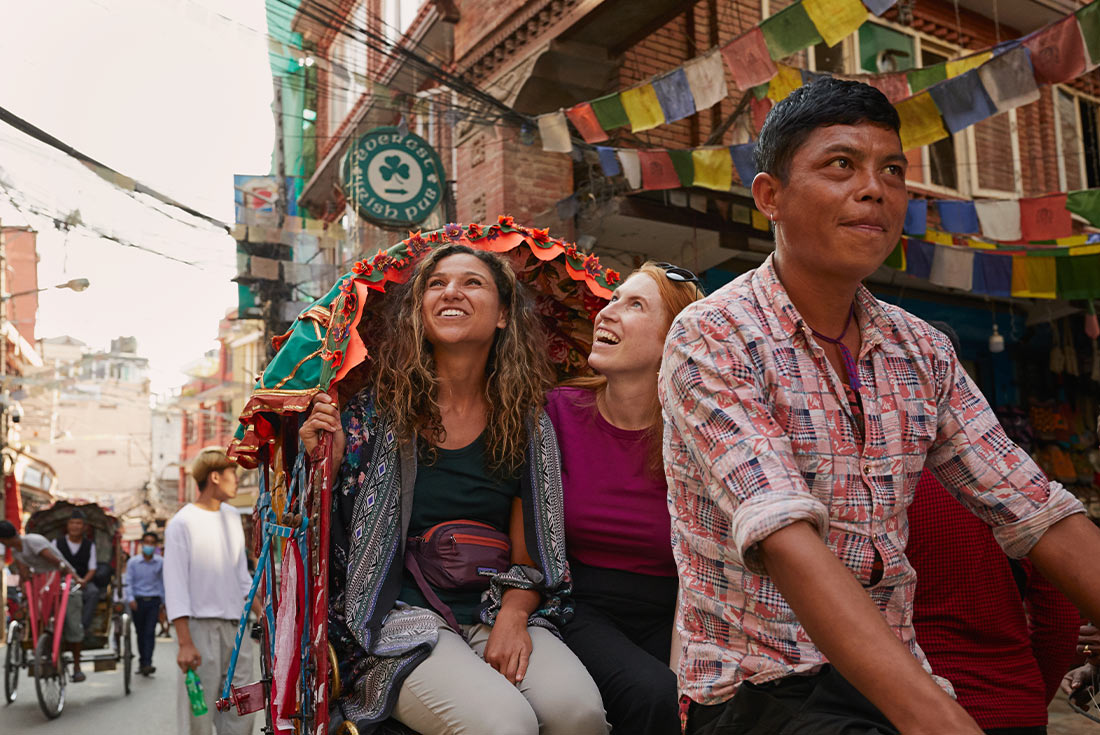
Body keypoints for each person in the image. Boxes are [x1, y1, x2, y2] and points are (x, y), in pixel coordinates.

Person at [659, 77, 1100, 735]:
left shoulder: (922, 348)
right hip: (758, 690)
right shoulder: (711, 333)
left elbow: (1034, 508)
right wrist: (940, 722)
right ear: (770, 197)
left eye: (891, 169)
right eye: (842, 164)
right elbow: (782, 534)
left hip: (892, 674)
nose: (876, 188)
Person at [300, 244, 608, 734]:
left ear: (504, 315)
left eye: (472, 282)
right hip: (396, 620)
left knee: (580, 715)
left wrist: (512, 616)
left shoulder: (529, 423)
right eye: (437, 283)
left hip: (493, 608)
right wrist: (329, 461)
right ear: (419, 312)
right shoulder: (370, 415)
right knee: (506, 725)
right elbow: (315, 543)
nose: (452, 292)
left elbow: (533, 558)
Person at [545, 261, 703, 734]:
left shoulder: (695, 431)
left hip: (674, 606)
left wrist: (685, 677)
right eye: (613, 298)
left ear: (673, 341)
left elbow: (695, 572)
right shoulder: (558, 412)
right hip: (578, 604)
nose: (608, 312)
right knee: (649, 692)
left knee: (704, 706)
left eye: (635, 305)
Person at [164, 447, 254, 735]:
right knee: (199, 715)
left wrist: (263, 610)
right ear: (215, 477)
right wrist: (184, 642)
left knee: (242, 711)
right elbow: (175, 585)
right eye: (232, 474)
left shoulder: (231, 517)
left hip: (237, 629)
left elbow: (242, 575)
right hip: (199, 630)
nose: (237, 481)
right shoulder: (182, 523)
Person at [53, 509, 98, 682]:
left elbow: (92, 568)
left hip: (82, 582)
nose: (75, 526)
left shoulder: (89, 545)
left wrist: (83, 581)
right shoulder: (56, 543)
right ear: (67, 526)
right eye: (72, 523)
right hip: (60, 582)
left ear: (84, 527)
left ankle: (82, 626)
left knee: (93, 593)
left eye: (78, 523)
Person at [125, 530, 165, 676]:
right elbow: (128, 582)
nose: (149, 546)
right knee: (140, 633)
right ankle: (143, 662)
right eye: (146, 542)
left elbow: (163, 583)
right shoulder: (133, 562)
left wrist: (164, 602)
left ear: (155, 546)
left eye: (152, 543)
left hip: (154, 601)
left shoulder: (160, 562)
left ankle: (148, 662)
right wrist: (130, 599)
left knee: (149, 632)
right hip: (138, 602)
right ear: (142, 544)